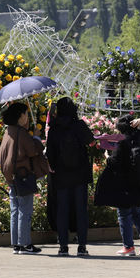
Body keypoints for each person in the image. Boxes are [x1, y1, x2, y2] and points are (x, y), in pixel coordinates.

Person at [94, 115, 140, 256]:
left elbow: (115, 163)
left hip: (124, 186)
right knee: (136, 212)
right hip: (139, 183)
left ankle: (128, 247)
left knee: (123, 214)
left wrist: (107, 157)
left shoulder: (122, 141)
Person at [0, 102, 49, 255]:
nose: (27, 116)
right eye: (26, 114)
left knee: (15, 210)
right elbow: (33, 150)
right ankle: (26, 244)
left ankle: (17, 245)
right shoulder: (21, 133)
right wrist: (37, 138)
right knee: (25, 211)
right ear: (20, 116)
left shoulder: (8, 132)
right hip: (23, 176)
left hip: (11, 177)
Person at [45, 97, 94, 256]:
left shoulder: (54, 128)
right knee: (81, 210)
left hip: (61, 175)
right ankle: (82, 246)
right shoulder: (79, 125)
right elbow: (91, 140)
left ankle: (63, 246)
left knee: (62, 210)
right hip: (80, 175)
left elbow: (50, 154)